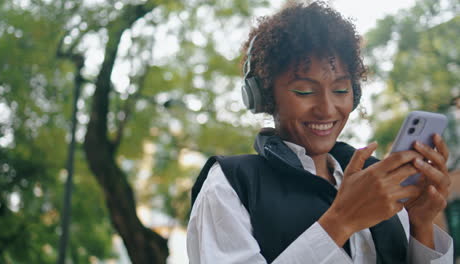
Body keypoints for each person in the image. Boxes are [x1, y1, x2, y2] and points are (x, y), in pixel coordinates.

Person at [187, 1, 453, 263]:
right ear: (265, 96)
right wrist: (342, 221)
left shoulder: (376, 179)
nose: (326, 109)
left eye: (340, 90)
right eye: (304, 91)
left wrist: (421, 224)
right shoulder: (230, 185)